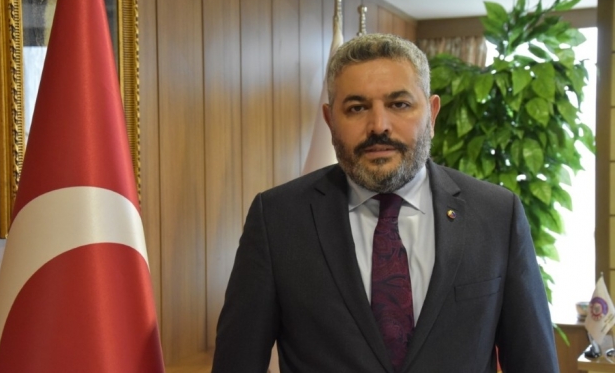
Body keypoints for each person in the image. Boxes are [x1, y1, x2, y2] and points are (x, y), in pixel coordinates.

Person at [212, 33, 559, 373]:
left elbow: (534, 363)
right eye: (357, 108)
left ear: (432, 114)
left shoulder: (497, 214)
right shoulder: (278, 219)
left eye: (399, 104)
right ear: (330, 121)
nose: (379, 126)